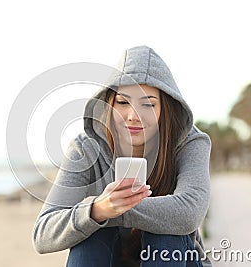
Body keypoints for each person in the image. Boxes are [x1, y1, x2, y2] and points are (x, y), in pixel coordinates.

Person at [33, 45, 212, 266]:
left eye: (148, 104)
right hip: (108, 257)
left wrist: (116, 209)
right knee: (92, 235)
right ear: (109, 103)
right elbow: (42, 234)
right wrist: (98, 209)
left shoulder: (190, 143)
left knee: (165, 232)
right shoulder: (86, 148)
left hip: (173, 258)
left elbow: (189, 213)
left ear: (164, 108)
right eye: (123, 102)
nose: (133, 116)